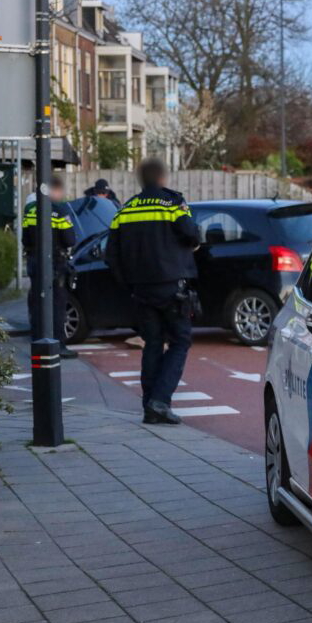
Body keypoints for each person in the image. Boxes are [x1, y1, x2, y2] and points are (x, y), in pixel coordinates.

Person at [106, 158, 200, 425]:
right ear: (162, 178)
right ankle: (160, 400)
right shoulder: (171, 204)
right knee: (181, 341)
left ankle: (149, 405)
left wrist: (128, 284)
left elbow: (111, 254)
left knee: (153, 343)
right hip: (172, 288)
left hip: (140, 290)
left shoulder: (125, 209)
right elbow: (192, 235)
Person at [23, 175, 78, 359]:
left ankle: (38, 342)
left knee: (38, 302)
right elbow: (70, 239)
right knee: (57, 305)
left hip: (34, 262)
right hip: (55, 264)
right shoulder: (60, 211)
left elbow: (25, 239)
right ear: (54, 190)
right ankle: (58, 345)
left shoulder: (30, 211)